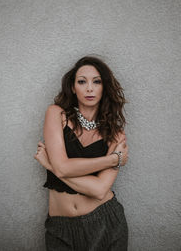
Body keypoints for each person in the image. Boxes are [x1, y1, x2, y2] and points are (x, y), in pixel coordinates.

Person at [34, 55, 129, 251]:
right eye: (81, 81)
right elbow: (62, 168)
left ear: (104, 87)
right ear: (72, 87)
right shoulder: (56, 114)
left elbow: (99, 190)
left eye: (97, 81)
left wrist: (51, 165)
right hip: (60, 228)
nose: (89, 88)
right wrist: (113, 159)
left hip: (106, 223)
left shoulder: (115, 134)